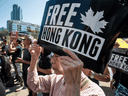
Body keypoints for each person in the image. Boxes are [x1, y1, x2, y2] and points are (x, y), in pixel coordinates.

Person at [27, 42, 105, 96]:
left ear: (74, 59)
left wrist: (72, 87)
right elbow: (34, 84)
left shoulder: (94, 92)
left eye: (56, 57)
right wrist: (34, 59)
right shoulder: (56, 78)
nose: (52, 61)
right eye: (52, 56)